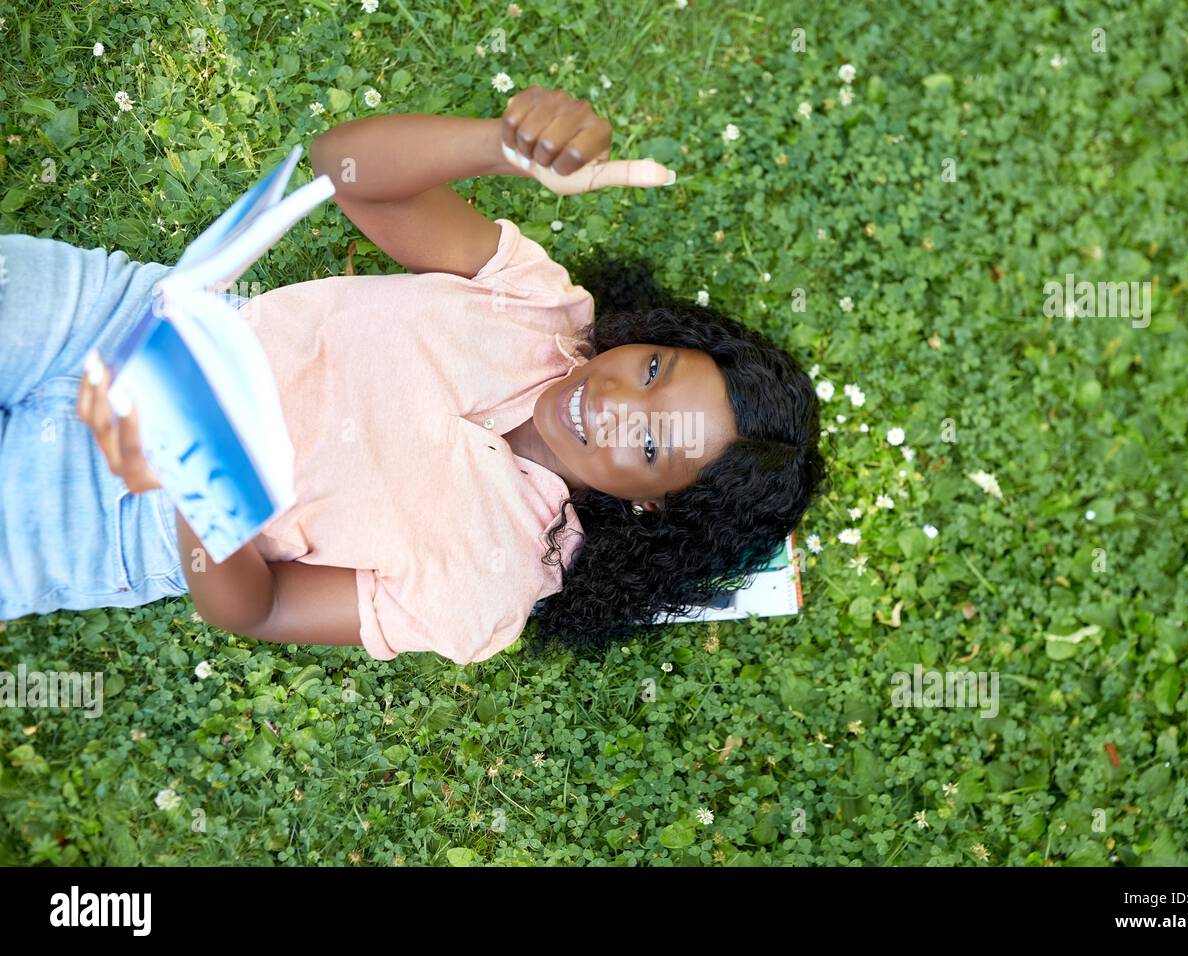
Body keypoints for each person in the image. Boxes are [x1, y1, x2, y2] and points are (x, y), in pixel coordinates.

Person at [0, 86, 826, 664]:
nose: (613, 400)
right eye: (651, 370)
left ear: (652, 505)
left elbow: (256, 607)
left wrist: (193, 480)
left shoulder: (492, 586)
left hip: (117, 512)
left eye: (649, 443)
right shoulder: (539, 303)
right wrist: (502, 146)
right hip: (113, 320)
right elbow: (342, 166)